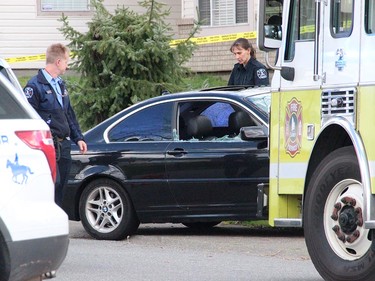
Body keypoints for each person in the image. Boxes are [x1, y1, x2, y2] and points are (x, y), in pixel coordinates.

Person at [23, 43, 87, 207]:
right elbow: (29, 117)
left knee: (62, 187)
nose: (68, 65)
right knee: (53, 184)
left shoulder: (60, 84)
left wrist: (78, 137)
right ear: (58, 62)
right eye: (67, 61)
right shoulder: (34, 86)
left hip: (63, 145)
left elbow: (68, 114)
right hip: (48, 145)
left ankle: (56, 223)